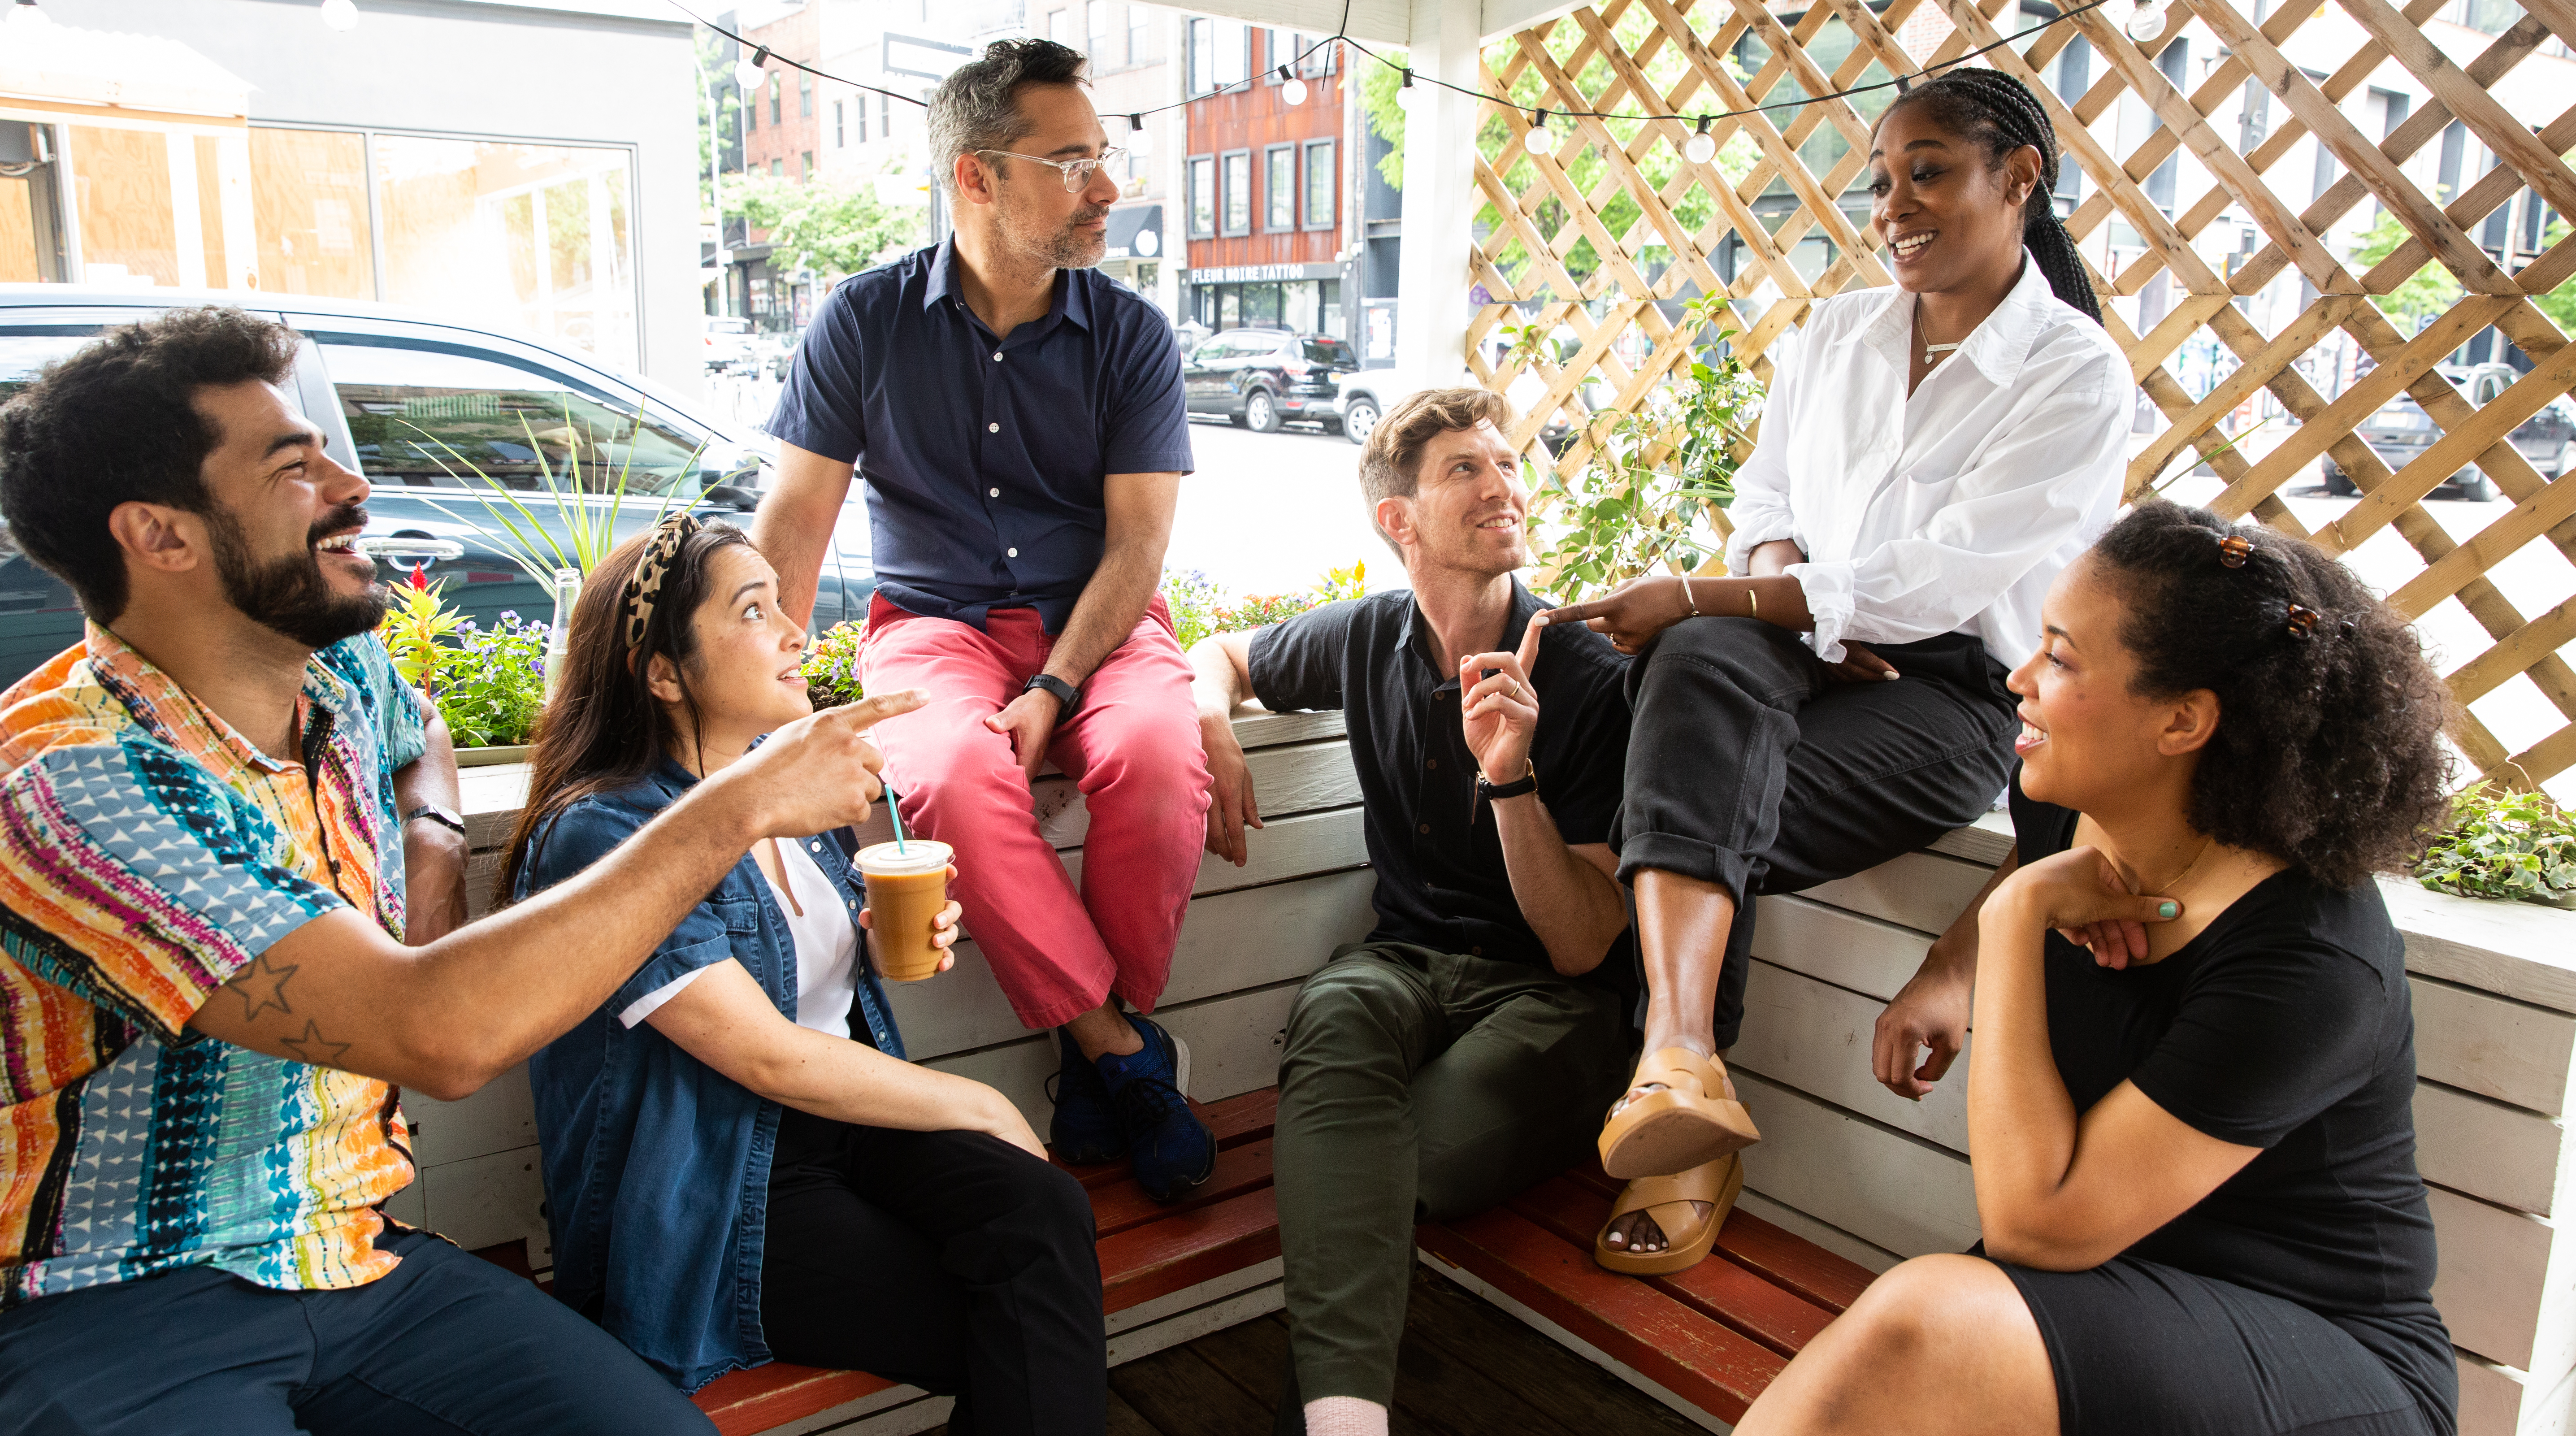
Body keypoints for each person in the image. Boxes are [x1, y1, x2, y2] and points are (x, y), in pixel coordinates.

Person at [0, 308, 898, 1435]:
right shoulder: (71, 786)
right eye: (295, 466)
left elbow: (414, 726)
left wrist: (431, 839)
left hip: (358, 1259)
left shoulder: (337, 674)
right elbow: (438, 1040)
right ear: (162, 537)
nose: (353, 484)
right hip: (113, 1301)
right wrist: (744, 802)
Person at [1543, 68, 2130, 1268]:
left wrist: (1735, 591)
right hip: (1795, 643)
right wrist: (1776, 579)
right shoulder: (1838, 332)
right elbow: (1764, 498)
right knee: (1702, 666)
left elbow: (1941, 579)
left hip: (1952, 692)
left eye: (1927, 172)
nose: (1894, 204)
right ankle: (1683, 1063)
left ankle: (1678, 1098)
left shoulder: (2073, 372)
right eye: (1880, 180)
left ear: (2018, 178)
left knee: (1698, 761)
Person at [1742, 499, 2458, 1436]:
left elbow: (2034, 1228)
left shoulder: (2308, 962)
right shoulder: (2062, 805)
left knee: (1923, 1324)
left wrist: (2014, 917)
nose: (2018, 677)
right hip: (2114, 1300)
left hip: (2315, 1360)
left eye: (2062, 659)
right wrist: (1952, 965)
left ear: (2181, 721)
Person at [504, 515, 1106, 1431]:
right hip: (723, 1178)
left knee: (1044, 1214)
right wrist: (980, 1104)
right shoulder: (607, 833)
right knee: (1021, 1328)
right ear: (664, 674)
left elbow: (812, 989)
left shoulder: (784, 783)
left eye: (783, 605)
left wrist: (883, 940)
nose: (796, 632)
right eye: (753, 613)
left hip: (842, 1126)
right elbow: (767, 1059)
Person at [754, 37, 1214, 1202]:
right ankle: (1122, 1053)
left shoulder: (1132, 337)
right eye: (1071, 162)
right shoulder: (861, 324)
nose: (1107, 188)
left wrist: (1057, 686)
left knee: (1159, 759)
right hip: (934, 628)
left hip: (1101, 627)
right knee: (950, 777)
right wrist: (753, 717)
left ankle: (1087, 1050)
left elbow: (1138, 550)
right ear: (976, 176)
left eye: (1104, 157)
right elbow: (794, 529)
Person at [1193, 389, 1639, 1436]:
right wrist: (1209, 722)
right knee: (1333, 1016)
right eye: (1464, 471)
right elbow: (1221, 655)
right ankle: (1346, 1422)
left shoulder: (1589, 676)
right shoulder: (1366, 637)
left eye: (1505, 463)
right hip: (1401, 963)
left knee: (1378, 1163)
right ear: (1397, 521)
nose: (1502, 486)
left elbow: (1581, 945)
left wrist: (1511, 778)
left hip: (1553, 1003)